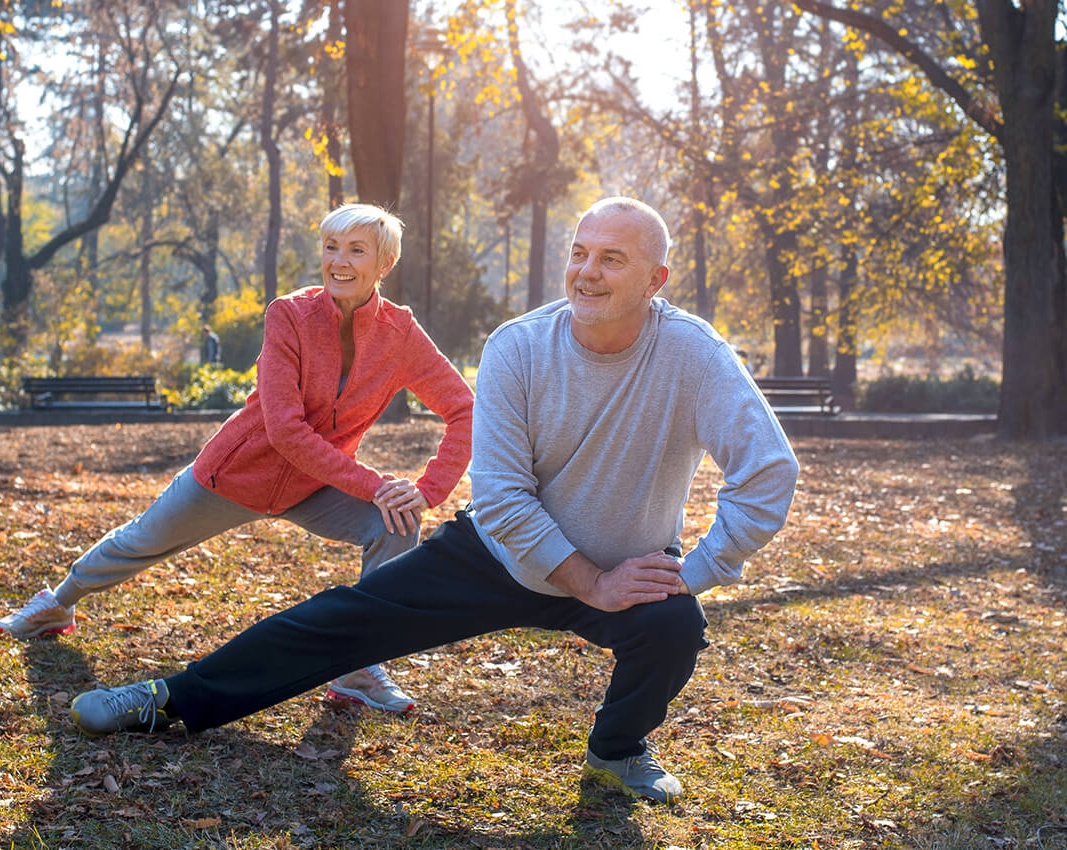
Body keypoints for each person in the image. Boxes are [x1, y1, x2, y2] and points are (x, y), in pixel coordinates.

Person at [67, 197, 799, 803]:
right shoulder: (520, 347)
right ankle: (171, 698)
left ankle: (617, 749)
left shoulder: (693, 353)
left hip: (627, 563)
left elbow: (767, 471)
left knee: (674, 629)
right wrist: (589, 582)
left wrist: (691, 572)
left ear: (656, 278)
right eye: (579, 252)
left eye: (612, 258)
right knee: (341, 622)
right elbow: (506, 499)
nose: (587, 271)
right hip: (500, 555)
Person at [0, 203, 474, 715]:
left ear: (384, 264)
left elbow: (465, 409)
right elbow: (286, 431)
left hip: (314, 486)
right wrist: (373, 482)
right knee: (141, 540)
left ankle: (357, 665)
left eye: (356, 250)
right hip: (237, 474)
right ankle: (58, 602)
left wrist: (425, 490)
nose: (339, 260)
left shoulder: (399, 334)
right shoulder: (289, 315)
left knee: (397, 521)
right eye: (331, 246)